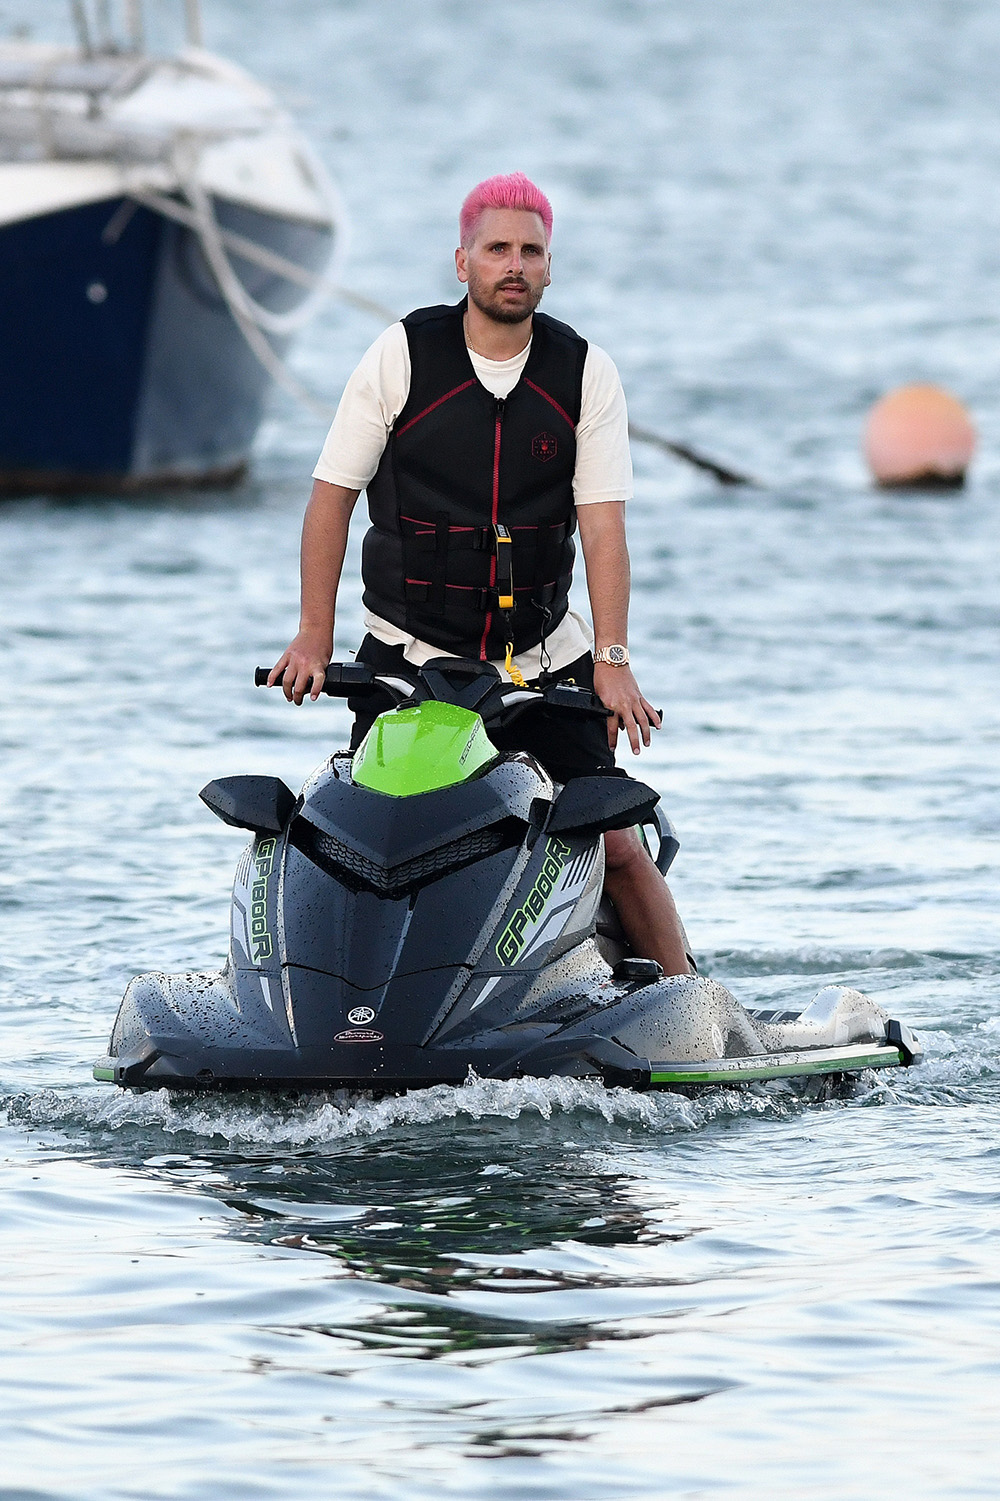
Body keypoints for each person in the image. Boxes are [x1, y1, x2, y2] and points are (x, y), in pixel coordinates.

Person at [270, 171, 693, 976]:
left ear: (548, 267)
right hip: (409, 661)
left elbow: (604, 529)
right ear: (461, 260)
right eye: (497, 248)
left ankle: (693, 1005)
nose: (514, 264)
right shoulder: (401, 355)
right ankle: (335, 1003)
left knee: (613, 836)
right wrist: (313, 639)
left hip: (541, 664)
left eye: (531, 251)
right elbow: (330, 500)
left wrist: (614, 662)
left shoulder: (583, 372)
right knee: (367, 838)